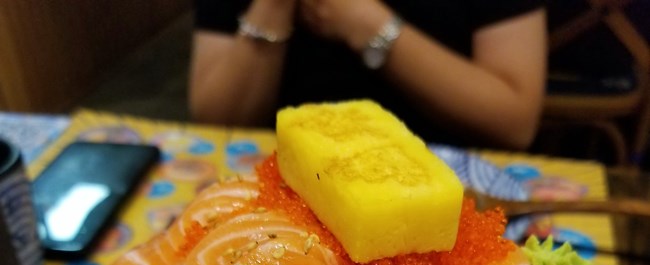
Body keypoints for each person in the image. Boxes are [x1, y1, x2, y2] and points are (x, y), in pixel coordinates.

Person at [189, 0, 547, 150]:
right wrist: (273, 5)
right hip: (286, 184)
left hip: (449, 188)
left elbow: (514, 121)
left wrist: (369, 27)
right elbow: (217, 120)